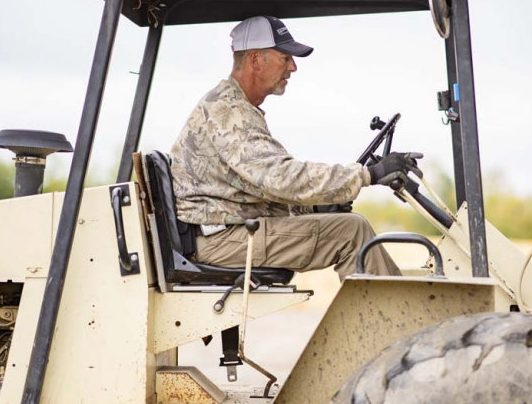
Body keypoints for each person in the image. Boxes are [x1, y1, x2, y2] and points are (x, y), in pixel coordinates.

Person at [169, 15, 421, 280]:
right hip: (219, 240)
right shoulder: (229, 113)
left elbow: (257, 188)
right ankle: (394, 321)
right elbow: (281, 178)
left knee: (347, 226)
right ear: (255, 60)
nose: (293, 67)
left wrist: (313, 208)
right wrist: (368, 175)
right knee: (352, 232)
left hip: (224, 232)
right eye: (285, 58)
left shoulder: (235, 107)